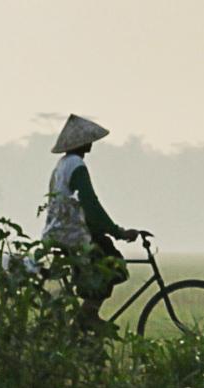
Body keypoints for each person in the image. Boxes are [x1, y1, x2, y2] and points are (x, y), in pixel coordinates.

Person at [42, 114, 151, 336]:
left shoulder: (62, 165)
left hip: (59, 229)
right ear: (82, 142)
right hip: (72, 233)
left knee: (101, 256)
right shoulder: (76, 165)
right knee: (113, 263)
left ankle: (83, 324)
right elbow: (90, 205)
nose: (91, 143)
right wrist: (118, 232)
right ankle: (88, 316)